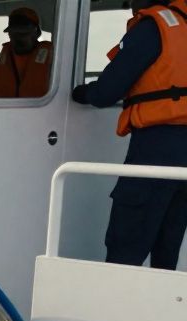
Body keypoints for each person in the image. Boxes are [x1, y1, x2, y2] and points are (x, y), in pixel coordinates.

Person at [72, 0, 187, 270]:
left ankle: (115, 298)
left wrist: (81, 93)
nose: (130, 4)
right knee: (167, 246)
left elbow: (105, 92)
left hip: (156, 149)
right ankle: (160, 298)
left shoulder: (153, 27)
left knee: (126, 246)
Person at [0, 7, 53, 98]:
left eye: (23, 34)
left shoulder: (52, 60)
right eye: (13, 34)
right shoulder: (1, 62)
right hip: (4, 108)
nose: (18, 39)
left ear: (37, 33)